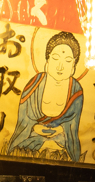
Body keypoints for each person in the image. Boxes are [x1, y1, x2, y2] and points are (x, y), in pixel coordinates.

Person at [5, 30, 84, 162]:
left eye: (67, 60)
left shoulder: (76, 91)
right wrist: (36, 127)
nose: (60, 66)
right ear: (47, 62)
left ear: (73, 67)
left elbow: (72, 127)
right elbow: (24, 121)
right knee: (22, 151)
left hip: (61, 138)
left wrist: (59, 130)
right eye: (55, 58)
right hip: (32, 135)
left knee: (62, 153)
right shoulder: (34, 85)